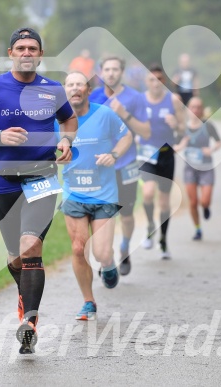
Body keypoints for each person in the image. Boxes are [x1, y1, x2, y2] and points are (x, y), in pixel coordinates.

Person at [0, 27, 77, 354]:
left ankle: (29, 322)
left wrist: (66, 140)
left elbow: (69, 121)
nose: (27, 53)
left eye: (33, 48)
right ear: (11, 53)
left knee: (31, 247)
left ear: (40, 54)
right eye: (21, 48)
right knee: (14, 257)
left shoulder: (53, 90)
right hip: (4, 180)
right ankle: (25, 296)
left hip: (42, 177)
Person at [57, 71, 133, 320]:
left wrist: (114, 155)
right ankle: (88, 301)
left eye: (80, 84)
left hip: (103, 194)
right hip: (74, 193)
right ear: (64, 91)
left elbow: (127, 136)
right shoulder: (57, 120)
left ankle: (108, 265)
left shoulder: (104, 113)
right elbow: (45, 148)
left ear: (89, 90)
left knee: (101, 252)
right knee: (79, 249)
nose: (75, 88)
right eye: (70, 84)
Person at [89, 56, 150, 276]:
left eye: (115, 69)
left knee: (126, 214)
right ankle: (106, 257)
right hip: (100, 166)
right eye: (107, 69)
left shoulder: (135, 98)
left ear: (121, 72)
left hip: (126, 164)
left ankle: (125, 247)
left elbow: (145, 131)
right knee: (103, 215)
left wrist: (125, 114)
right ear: (101, 72)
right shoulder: (93, 96)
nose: (111, 73)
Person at [139, 64, 185, 259]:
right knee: (148, 193)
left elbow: (183, 128)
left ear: (164, 82)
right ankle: (150, 225)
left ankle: (163, 239)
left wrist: (176, 125)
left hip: (166, 154)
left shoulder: (173, 100)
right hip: (146, 154)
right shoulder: (140, 101)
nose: (155, 83)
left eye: (159, 79)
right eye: (151, 79)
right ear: (146, 82)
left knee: (164, 202)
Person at [173, 97, 221, 240]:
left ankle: (206, 207)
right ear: (188, 109)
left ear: (202, 110)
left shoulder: (208, 126)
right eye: (192, 107)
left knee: (204, 201)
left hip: (206, 168)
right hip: (190, 169)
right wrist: (181, 146)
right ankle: (198, 229)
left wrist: (211, 150)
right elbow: (174, 147)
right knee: (193, 202)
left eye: (198, 107)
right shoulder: (183, 129)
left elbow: (219, 142)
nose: (195, 110)